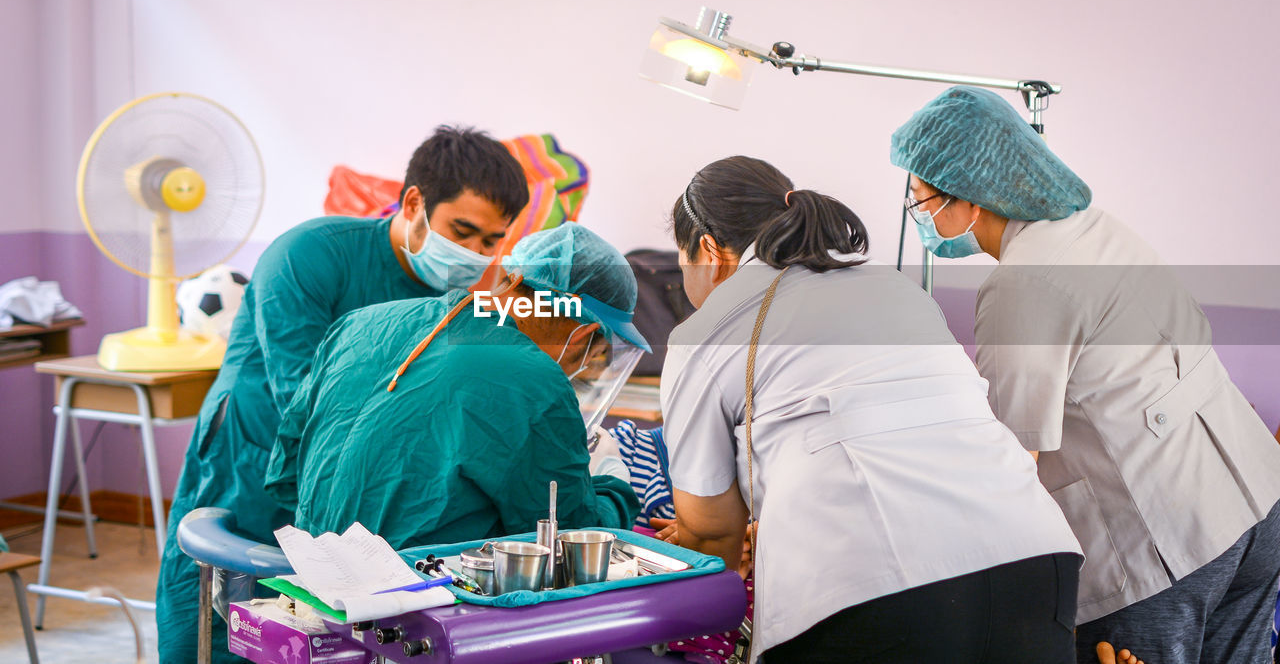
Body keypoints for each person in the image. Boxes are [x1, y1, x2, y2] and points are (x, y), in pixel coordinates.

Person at [891, 85, 1280, 664]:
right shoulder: (1096, 227)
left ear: (970, 198)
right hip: (1254, 503)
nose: (921, 219)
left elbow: (1009, 454)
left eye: (923, 203)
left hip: (1168, 544)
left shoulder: (1023, 282)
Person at [661, 155, 1084, 663]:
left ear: (708, 250)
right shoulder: (892, 285)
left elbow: (710, 531)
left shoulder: (705, 332)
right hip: (1035, 561)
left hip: (874, 589)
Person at [156, 126, 529, 664]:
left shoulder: (453, 299)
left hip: (350, 474)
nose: (474, 254)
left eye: (491, 242)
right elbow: (304, 397)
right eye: (462, 231)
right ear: (415, 202)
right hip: (250, 453)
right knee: (219, 619)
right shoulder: (309, 255)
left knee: (320, 631)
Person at [263, 222, 644, 548]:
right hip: (419, 608)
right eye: (591, 358)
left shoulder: (360, 322)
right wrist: (611, 483)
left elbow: (285, 475)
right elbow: (569, 540)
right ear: (583, 334)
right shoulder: (535, 381)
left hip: (312, 582)